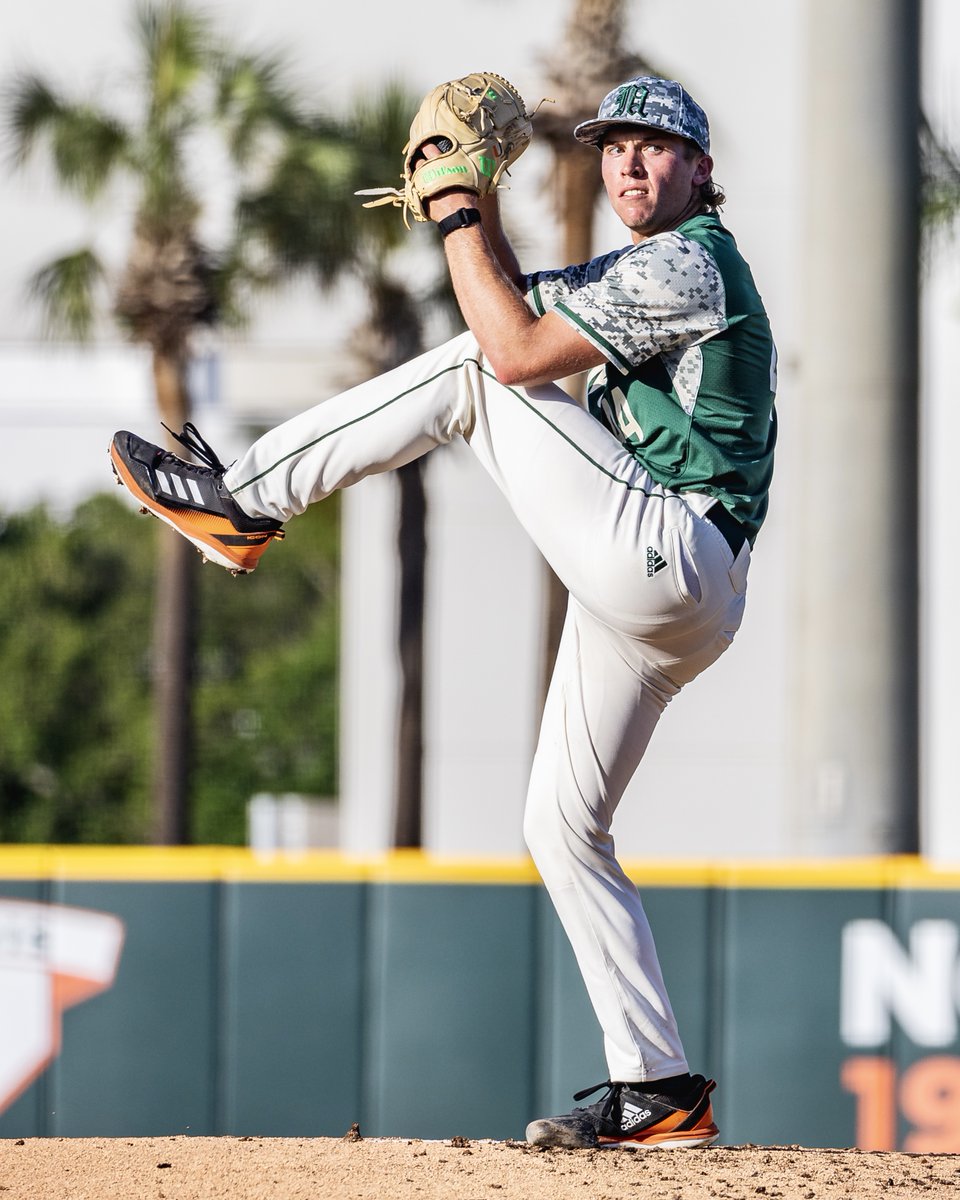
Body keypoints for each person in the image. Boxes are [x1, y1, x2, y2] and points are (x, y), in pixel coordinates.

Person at [110, 74, 776, 1149]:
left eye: (656, 147)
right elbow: (511, 302)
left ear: (702, 170)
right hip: (672, 585)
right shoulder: (638, 270)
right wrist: (479, 212)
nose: (629, 164)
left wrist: (459, 206)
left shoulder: (691, 261)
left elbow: (507, 352)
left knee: (477, 376)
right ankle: (659, 1088)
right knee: (561, 825)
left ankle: (244, 503)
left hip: (670, 550)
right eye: (613, 147)